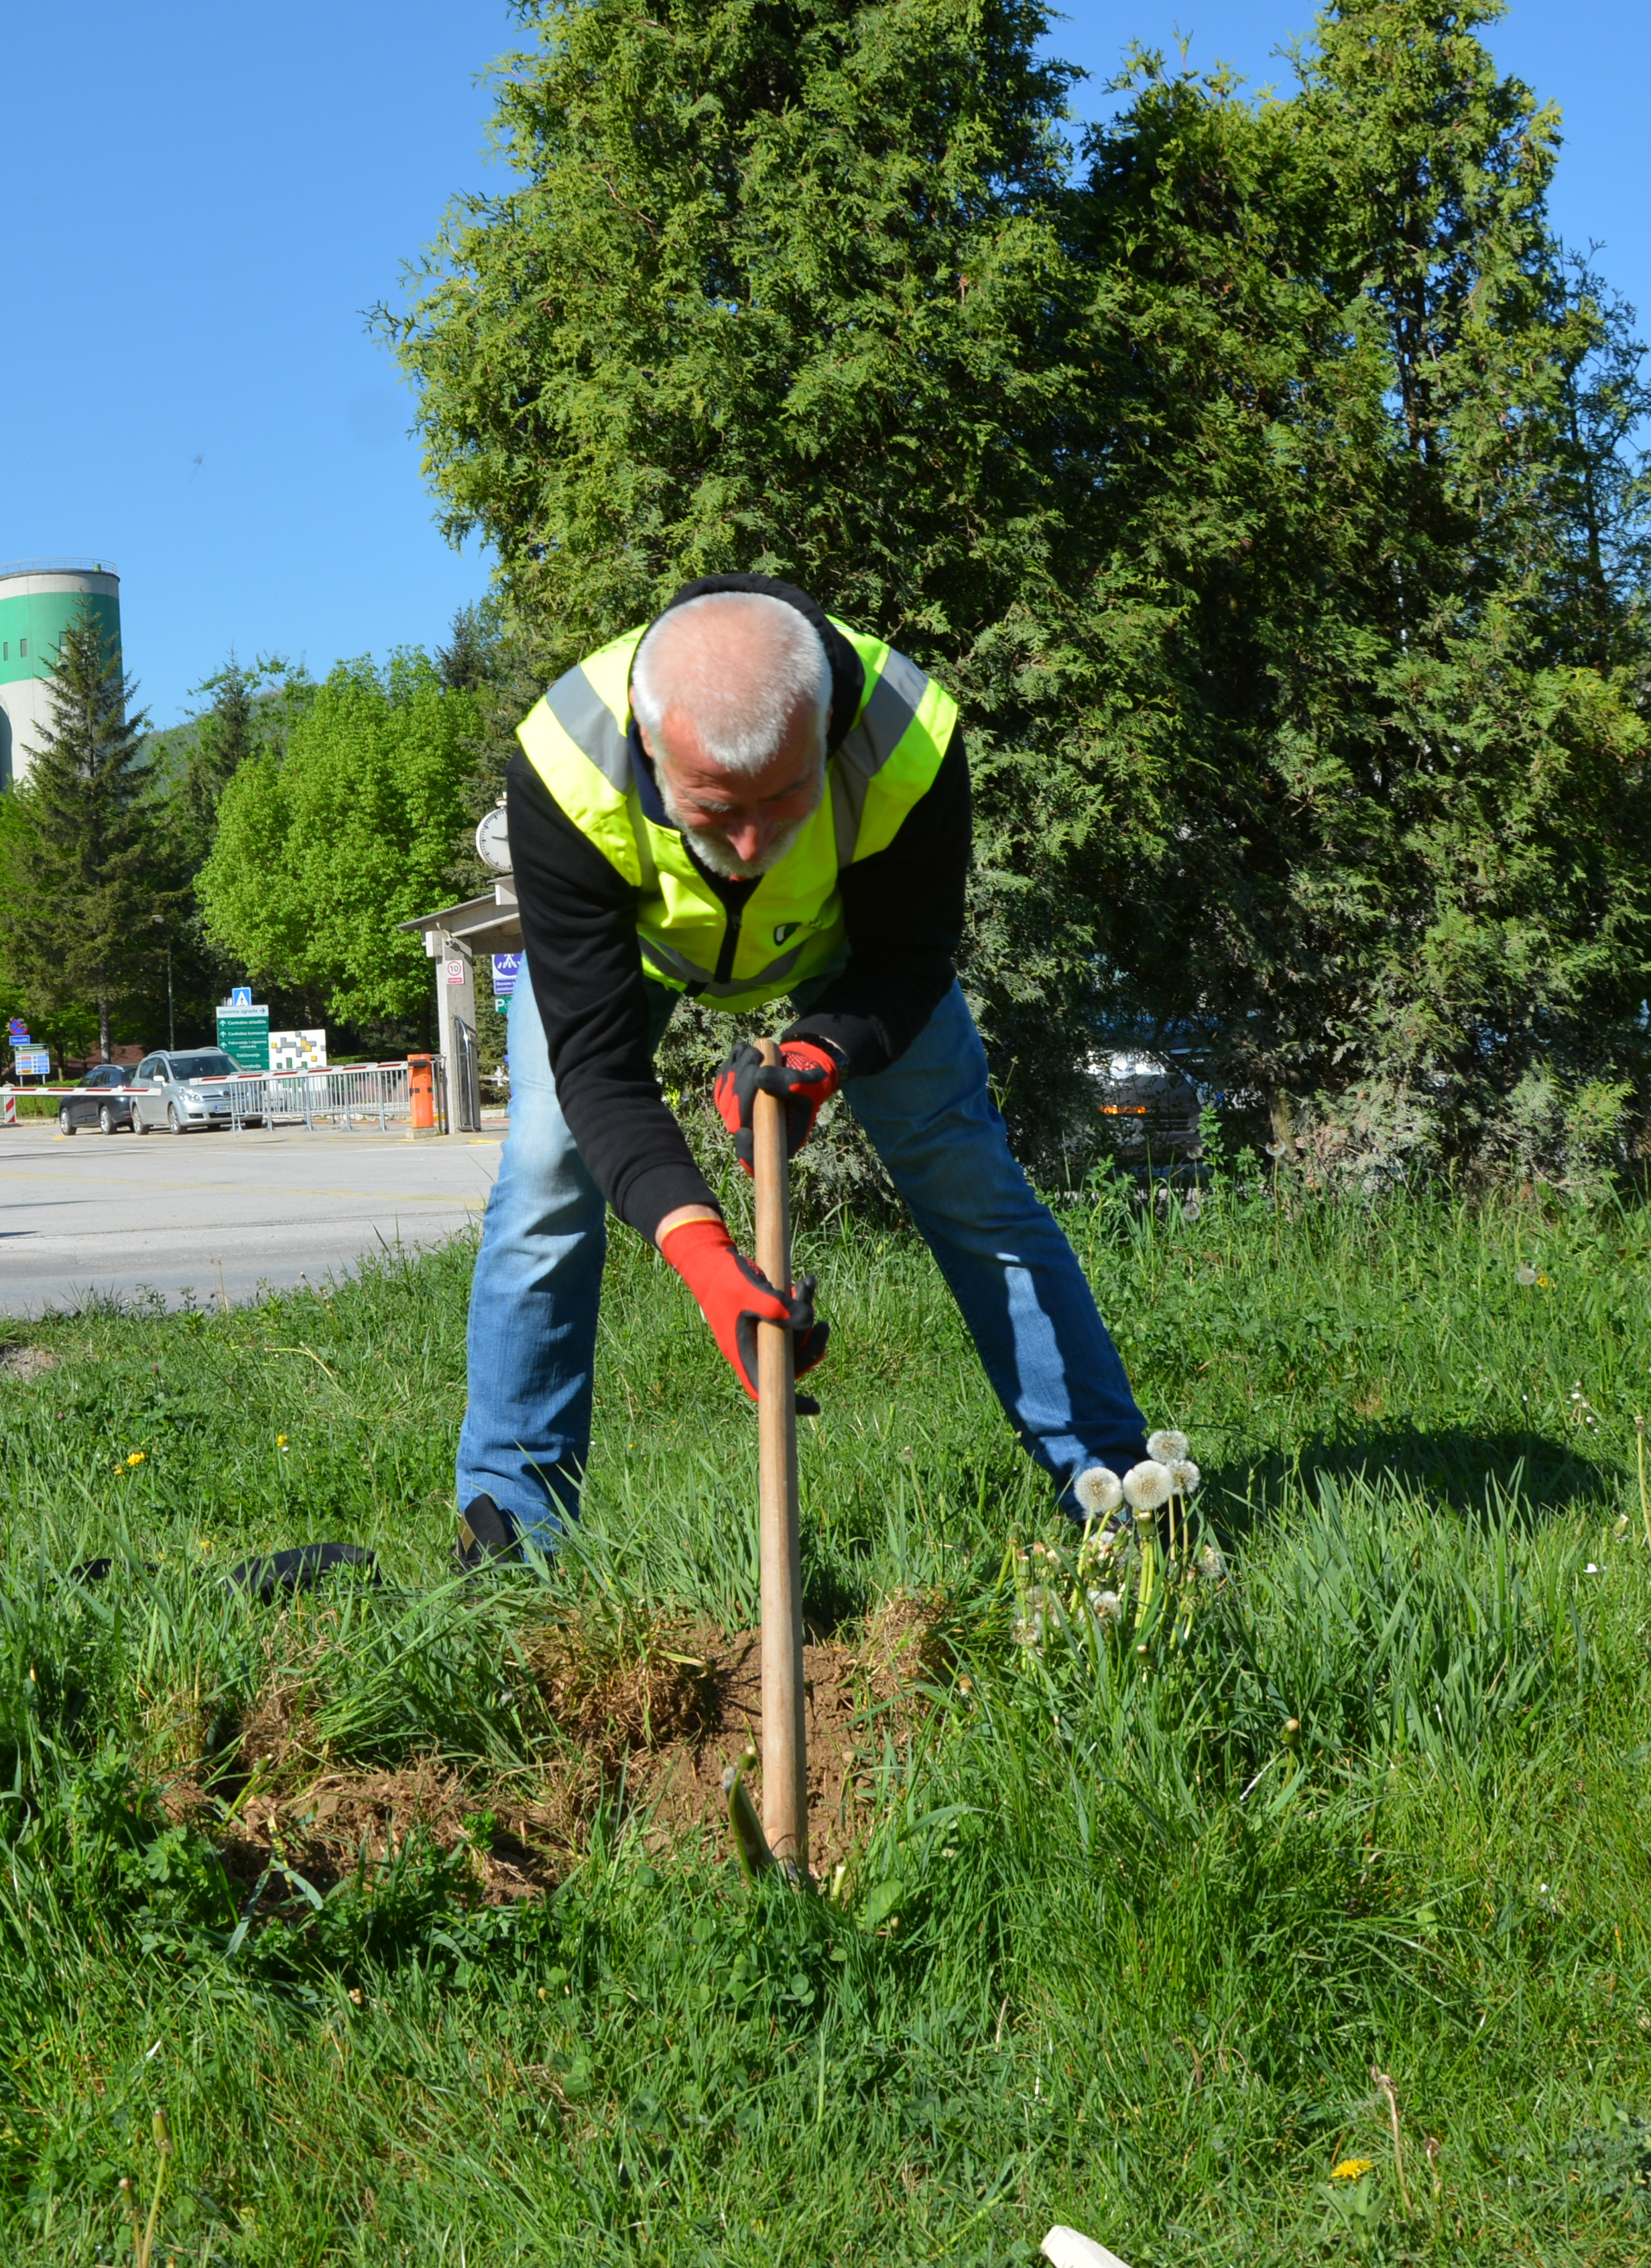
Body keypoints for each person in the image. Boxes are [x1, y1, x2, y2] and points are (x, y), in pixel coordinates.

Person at [454, 575, 1149, 1566]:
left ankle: (1115, 1493)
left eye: (786, 799)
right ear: (649, 746)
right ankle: (511, 1529)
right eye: (713, 807)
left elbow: (910, 962)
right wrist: (707, 1267)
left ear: (826, 731)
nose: (746, 846)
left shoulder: (907, 738)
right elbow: (600, 1073)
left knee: (966, 1172)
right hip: (637, 958)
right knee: (541, 1175)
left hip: (844, 953)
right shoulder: (563, 763)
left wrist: (825, 1055)